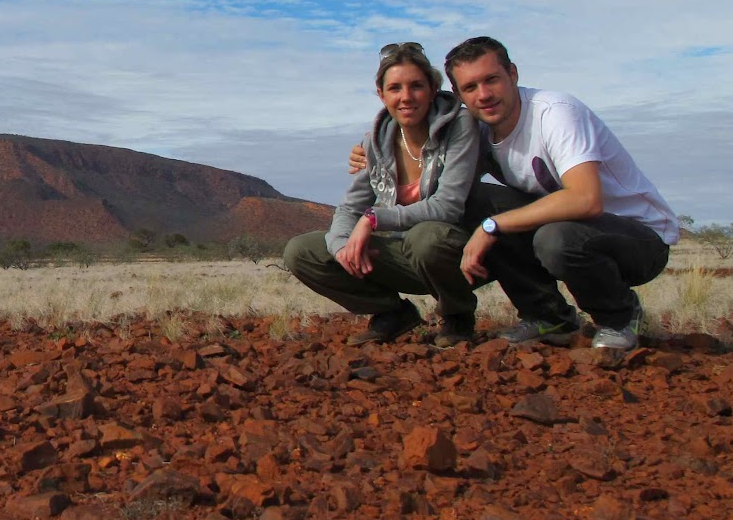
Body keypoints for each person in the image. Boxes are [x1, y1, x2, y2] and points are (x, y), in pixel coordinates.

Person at [444, 36, 676, 349]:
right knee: (474, 199)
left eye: (491, 80)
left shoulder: (555, 112)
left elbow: (586, 199)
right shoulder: (478, 128)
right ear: (458, 95)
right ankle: (548, 316)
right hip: (565, 227)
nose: (484, 95)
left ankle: (618, 317)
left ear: (512, 73)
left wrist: (493, 226)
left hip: (640, 239)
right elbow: (436, 176)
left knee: (554, 238)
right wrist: (372, 152)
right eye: (470, 87)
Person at [284, 42, 482, 345]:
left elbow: (448, 206)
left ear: (432, 88)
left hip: (456, 253)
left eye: (416, 86)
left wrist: (374, 219)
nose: (406, 97)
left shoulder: (460, 125)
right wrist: (341, 250)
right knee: (303, 251)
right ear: (381, 94)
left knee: (426, 237)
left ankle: (457, 317)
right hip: (400, 253)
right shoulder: (374, 142)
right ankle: (392, 313)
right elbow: (350, 208)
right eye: (395, 88)